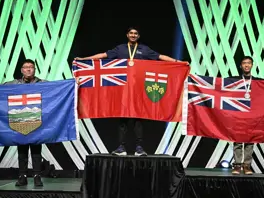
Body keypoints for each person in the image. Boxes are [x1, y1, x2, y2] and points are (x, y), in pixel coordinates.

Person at [75, 27, 187, 156]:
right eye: (131, 33)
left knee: (138, 120)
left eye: (136, 33)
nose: (133, 35)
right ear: (127, 35)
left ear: (138, 36)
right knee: (122, 120)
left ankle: (139, 148)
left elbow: (160, 57)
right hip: (123, 91)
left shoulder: (144, 49)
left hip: (138, 91)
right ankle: (121, 148)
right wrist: (84, 60)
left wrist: (178, 62)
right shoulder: (120, 49)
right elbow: (103, 55)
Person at [0, 59, 46, 187]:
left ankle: (37, 177)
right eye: (26, 67)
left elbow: (58, 88)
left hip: (36, 121)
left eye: (31, 67)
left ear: (34, 70)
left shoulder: (42, 83)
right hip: (19, 121)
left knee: (36, 151)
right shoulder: (14, 84)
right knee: (21, 150)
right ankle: (22, 177)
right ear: (22, 70)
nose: (28, 69)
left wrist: (73, 84)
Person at [231, 56, 263, 175]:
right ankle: (237, 165)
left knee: (250, 140)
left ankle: (247, 166)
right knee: (238, 140)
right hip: (238, 114)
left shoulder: (258, 81)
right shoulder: (234, 80)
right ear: (240, 66)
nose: (246, 65)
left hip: (252, 115)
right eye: (244, 63)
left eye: (249, 63)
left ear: (252, 65)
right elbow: (218, 84)